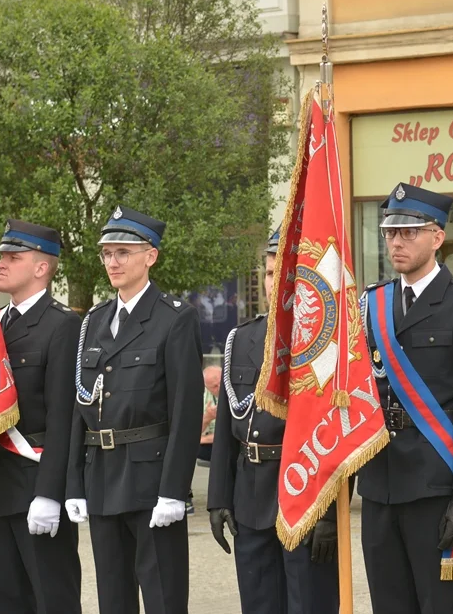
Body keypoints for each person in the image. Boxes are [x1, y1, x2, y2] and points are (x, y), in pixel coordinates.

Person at [359, 183, 453, 614]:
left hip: (438, 489)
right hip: (381, 486)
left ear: (437, 238)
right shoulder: (372, 304)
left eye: (409, 232)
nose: (396, 242)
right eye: (390, 233)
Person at [65, 205, 203, 614]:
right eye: (107, 253)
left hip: (150, 479)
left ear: (151, 256)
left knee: (163, 597)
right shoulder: (93, 321)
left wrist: (174, 490)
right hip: (102, 478)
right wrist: (75, 483)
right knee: (113, 600)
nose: (113, 261)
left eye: (123, 252)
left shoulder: (175, 319)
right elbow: (81, 406)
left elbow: (186, 411)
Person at [208, 226, 340, 614]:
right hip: (250, 497)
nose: (275, 282)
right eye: (269, 273)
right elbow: (225, 434)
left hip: (304, 497)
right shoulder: (242, 339)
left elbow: (339, 433)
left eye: (286, 272)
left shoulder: (326, 344)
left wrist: (330, 516)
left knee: (308, 605)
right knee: (259, 604)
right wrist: (218, 497)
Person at [0, 220, 82, 613]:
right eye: (1, 256)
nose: (1, 264)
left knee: (52, 599)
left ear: (41, 268)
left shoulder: (62, 325)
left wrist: (51, 493)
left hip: (36, 483)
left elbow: (64, 417)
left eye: (13, 257)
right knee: (5, 601)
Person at [199, 366, 221, 463]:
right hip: (210, 443)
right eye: (215, 386)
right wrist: (208, 418)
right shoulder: (202, 397)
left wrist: (202, 439)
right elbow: (193, 432)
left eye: (221, 383)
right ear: (207, 387)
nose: (220, 388)